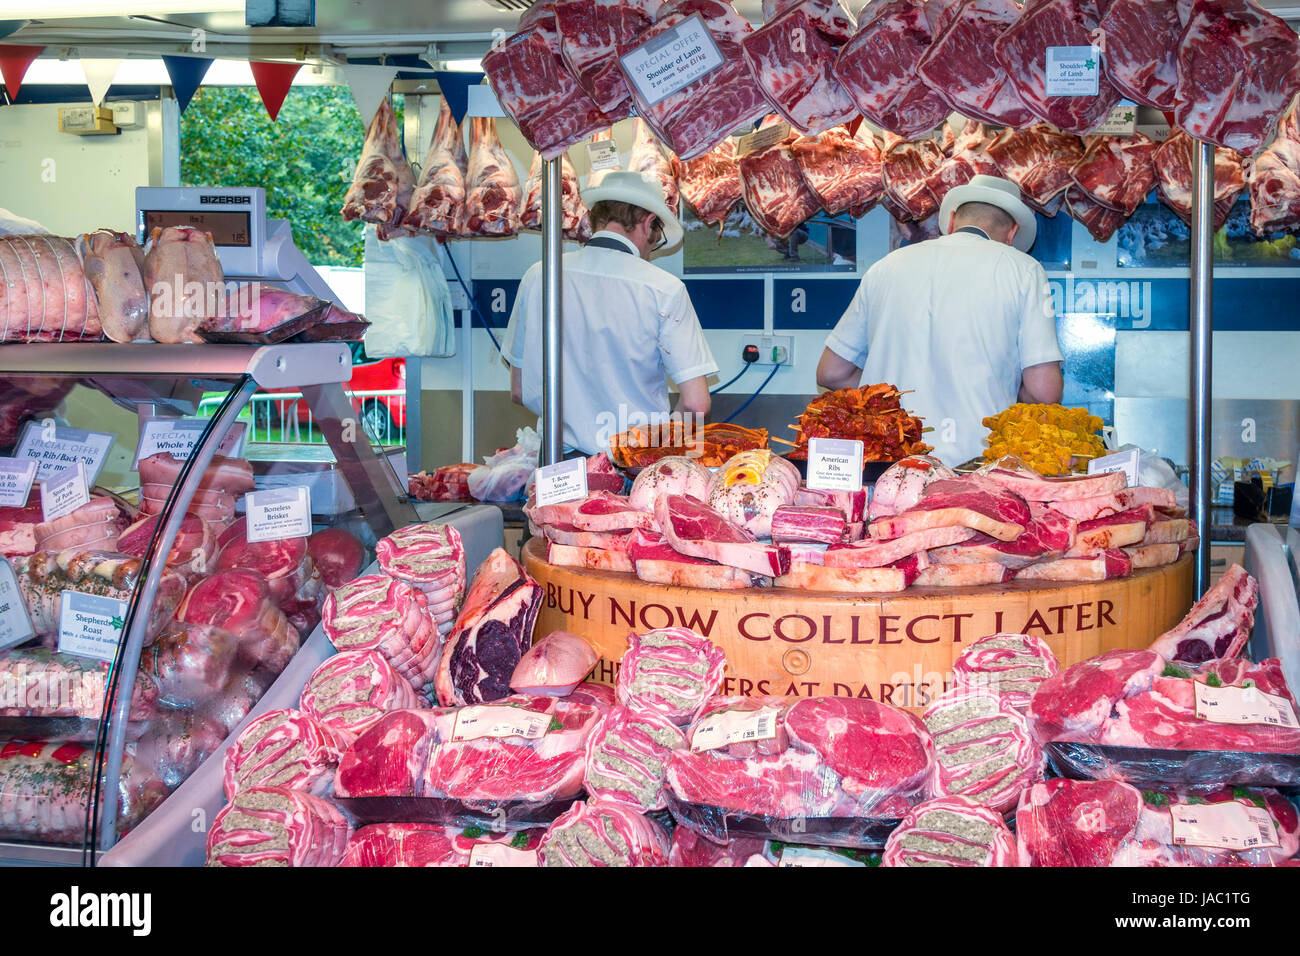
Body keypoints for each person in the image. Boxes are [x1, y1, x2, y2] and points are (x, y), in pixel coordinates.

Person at [815, 175, 1064, 466]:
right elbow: (1043, 391)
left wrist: (893, 388)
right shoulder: (1024, 270)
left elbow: (831, 373)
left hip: (887, 461)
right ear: (1012, 234)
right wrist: (1003, 386)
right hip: (976, 464)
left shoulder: (885, 266)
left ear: (951, 221)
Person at [502, 170, 718, 457]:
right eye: (655, 240)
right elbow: (695, 405)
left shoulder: (540, 275)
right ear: (648, 222)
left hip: (557, 464)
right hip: (633, 466)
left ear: (596, 219)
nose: (649, 251)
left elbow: (518, 389)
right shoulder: (663, 289)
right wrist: (662, 453)